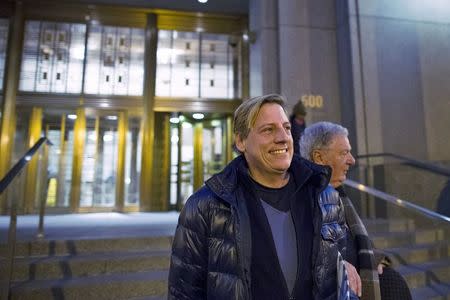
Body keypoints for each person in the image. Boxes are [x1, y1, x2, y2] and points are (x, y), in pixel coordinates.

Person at [168, 94, 356, 299]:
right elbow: (184, 293)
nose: (283, 137)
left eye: (286, 128)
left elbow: (337, 283)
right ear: (241, 141)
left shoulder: (325, 198)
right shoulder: (205, 207)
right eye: (268, 130)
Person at [299, 121, 412, 300]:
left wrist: (373, 258)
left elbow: (355, 241)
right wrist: (337, 263)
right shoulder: (299, 199)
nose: (352, 160)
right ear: (319, 157)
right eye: (344, 153)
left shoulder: (339, 196)